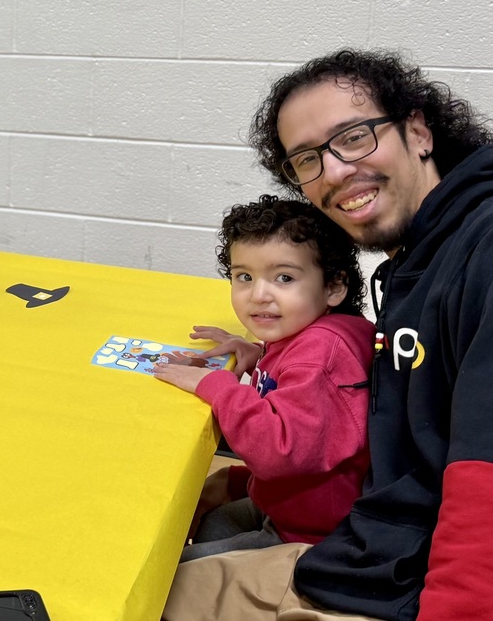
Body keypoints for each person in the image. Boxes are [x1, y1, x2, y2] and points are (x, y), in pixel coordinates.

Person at [164, 49, 493, 620]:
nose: (332, 172)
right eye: (305, 159)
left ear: (418, 131)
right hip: (377, 549)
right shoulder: (423, 259)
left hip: (401, 583)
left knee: (133, 590)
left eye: (354, 137)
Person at [153, 196, 375, 562]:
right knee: (212, 523)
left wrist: (217, 386)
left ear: (334, 287)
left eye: (284, 277)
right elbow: (303, 384)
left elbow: (279, 450)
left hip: (314, 536)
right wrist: (260, 354)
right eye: (244, 276)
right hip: (287, 506)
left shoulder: (321, 356)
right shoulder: (320, 334)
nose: (258, 295)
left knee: (175, 571)